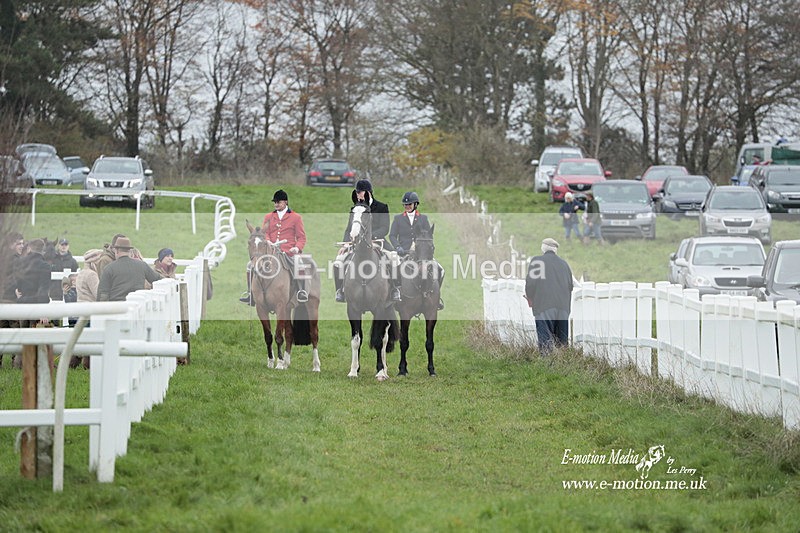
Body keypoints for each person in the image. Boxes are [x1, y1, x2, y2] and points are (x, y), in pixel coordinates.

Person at [333, 179, 398, 302]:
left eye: (360, 192)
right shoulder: (355, 209)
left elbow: (384, 228)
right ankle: (340, 290)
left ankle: (395, 289)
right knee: (339, 260)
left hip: (378, 241)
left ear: (368, 192)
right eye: (357, 192)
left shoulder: (381, 207)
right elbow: (349, 229)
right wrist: (346, 243)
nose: (358, 194)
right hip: (357, 243)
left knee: (394, 258)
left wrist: (370, 238)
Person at [240, 189, 308, 305]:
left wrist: (296, 248)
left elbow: (301, 238)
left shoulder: (296, 217)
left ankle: (301, 291)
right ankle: (250, 293)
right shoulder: (268, 217)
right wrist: (268, 241)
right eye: (275, 202)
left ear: (285, 202)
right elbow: (264, 233)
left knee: (299, 264)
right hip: (270, 250)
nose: (276, 204)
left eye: (278, 202)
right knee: (249, 265)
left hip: (288, 251)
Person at [389, 191, 445, 310]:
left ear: (415, 204)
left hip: (421, 253)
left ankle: (435, 297)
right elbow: (392, 235)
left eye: (409, 204)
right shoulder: (398, 218)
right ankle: (396, 291)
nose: (407, 206)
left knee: (440, 269)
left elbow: (429, 236)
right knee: (393, 266)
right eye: (405, 205)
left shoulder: (423, 219)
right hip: (403, 251)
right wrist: (397, 247)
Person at [524, 238, 574, 354]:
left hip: (544, 305)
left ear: (543, 248)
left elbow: (531, 283)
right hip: (563, 307)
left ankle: (546, 368)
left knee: (545, 342)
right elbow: (570, 286)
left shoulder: (537, 261)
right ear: (555, 250)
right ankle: (563, 367)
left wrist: (530, 297)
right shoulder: (564, 264)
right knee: (562, 343)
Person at [97, 237, 162, 301]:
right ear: (129, 251)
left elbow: (103, 294)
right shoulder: (142, 265)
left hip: (116, 307)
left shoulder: (109, 268)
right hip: (137, 305)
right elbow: (159, 280)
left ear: (116, 251)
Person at [0, 232, 25, 368]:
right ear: (11, 244)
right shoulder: (16, 260)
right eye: (18, 243)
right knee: (14, 330)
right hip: (11, 299)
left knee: (2, 331)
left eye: (22, 243)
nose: (21, 246)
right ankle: (16, 364)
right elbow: (17, 278)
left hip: (2, 299)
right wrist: (18, 289)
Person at [15, 239, 52, 304]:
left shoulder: (20, 263)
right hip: (38, 304)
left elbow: (18, 287)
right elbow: (43, 291)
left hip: (22, 302)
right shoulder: (45, 266)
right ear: (43, 251)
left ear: (29, 248)